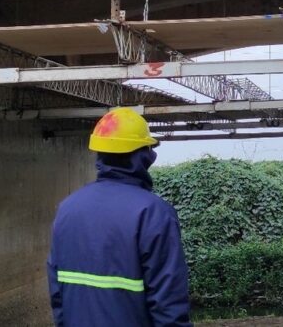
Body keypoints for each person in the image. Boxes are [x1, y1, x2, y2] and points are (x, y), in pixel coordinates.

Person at [47, 108, 192, 326]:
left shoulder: (67, 209)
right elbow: (168, 305)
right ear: (144, 156)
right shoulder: (154, 213)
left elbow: (57, 294)